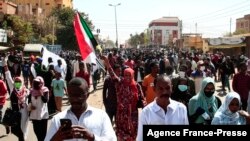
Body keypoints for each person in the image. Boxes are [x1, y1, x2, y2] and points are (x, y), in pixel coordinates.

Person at [44, 77, 117, 141]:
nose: (75, 99)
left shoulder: (101, 116)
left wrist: (93, 137)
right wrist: (56, 138)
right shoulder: (57, 119)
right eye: (71, 95)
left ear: (87, 95)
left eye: (79, 95)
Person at [102, 55, 146, 141]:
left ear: (133, 75)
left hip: (133, 114)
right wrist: (107, 63)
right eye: (126, 75)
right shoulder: (119, 83)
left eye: (129, 75)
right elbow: (112, 74)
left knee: (133, 134)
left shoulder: (137, 86)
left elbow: (142, 99)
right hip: (121, 114)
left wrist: (146, 109)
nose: (127, 77)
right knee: (121, 134)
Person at [137, 75, 189, 141]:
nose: (165, 92)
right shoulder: (146, 112)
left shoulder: (181, 109)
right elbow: (141, 138)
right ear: (154, 89)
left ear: (171, 88)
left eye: (167, 88)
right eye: (160, 88)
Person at [4, 66, 29, 141]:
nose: (17, 83)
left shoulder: (26, 91)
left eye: (19, 81)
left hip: (24, 112)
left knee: (23, 128)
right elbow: (8, 77)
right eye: (16, 81)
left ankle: (22, 139)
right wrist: (5, 65)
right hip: (15, 113)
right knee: (17, 129)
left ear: (22, 82)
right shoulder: (12, 89)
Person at [28, 76, 50, 141]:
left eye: (38, 83)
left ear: (41, 83)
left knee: (43, 133)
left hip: (43, 115)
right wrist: (30, 106)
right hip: (34, 115)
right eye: (35, 83)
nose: (36, 84)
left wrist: (41, 93)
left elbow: (45, 100)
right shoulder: (31, 91)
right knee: (36, 131)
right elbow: (29, 100)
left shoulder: (45, 90)